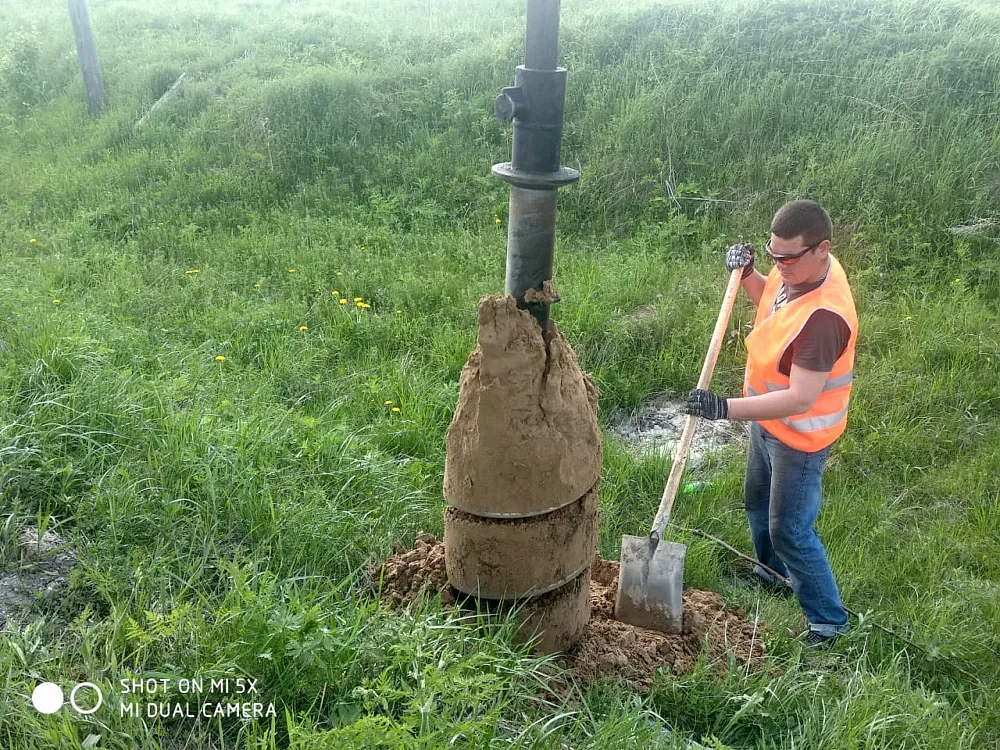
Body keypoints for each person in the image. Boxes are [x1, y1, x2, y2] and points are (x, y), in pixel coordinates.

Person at [684, 199, 858, 646]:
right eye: (771, 254)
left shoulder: (824, 319)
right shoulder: (800, 273)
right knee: (756, 503)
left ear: (822, 249)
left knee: (790, 529)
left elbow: (800, 399)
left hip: (799, 438)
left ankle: (828, 621)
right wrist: (747, 276)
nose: (777, 266)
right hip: (767, 423)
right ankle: (771, 574)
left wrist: (723, 408)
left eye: (786, 258)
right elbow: (774, 306)